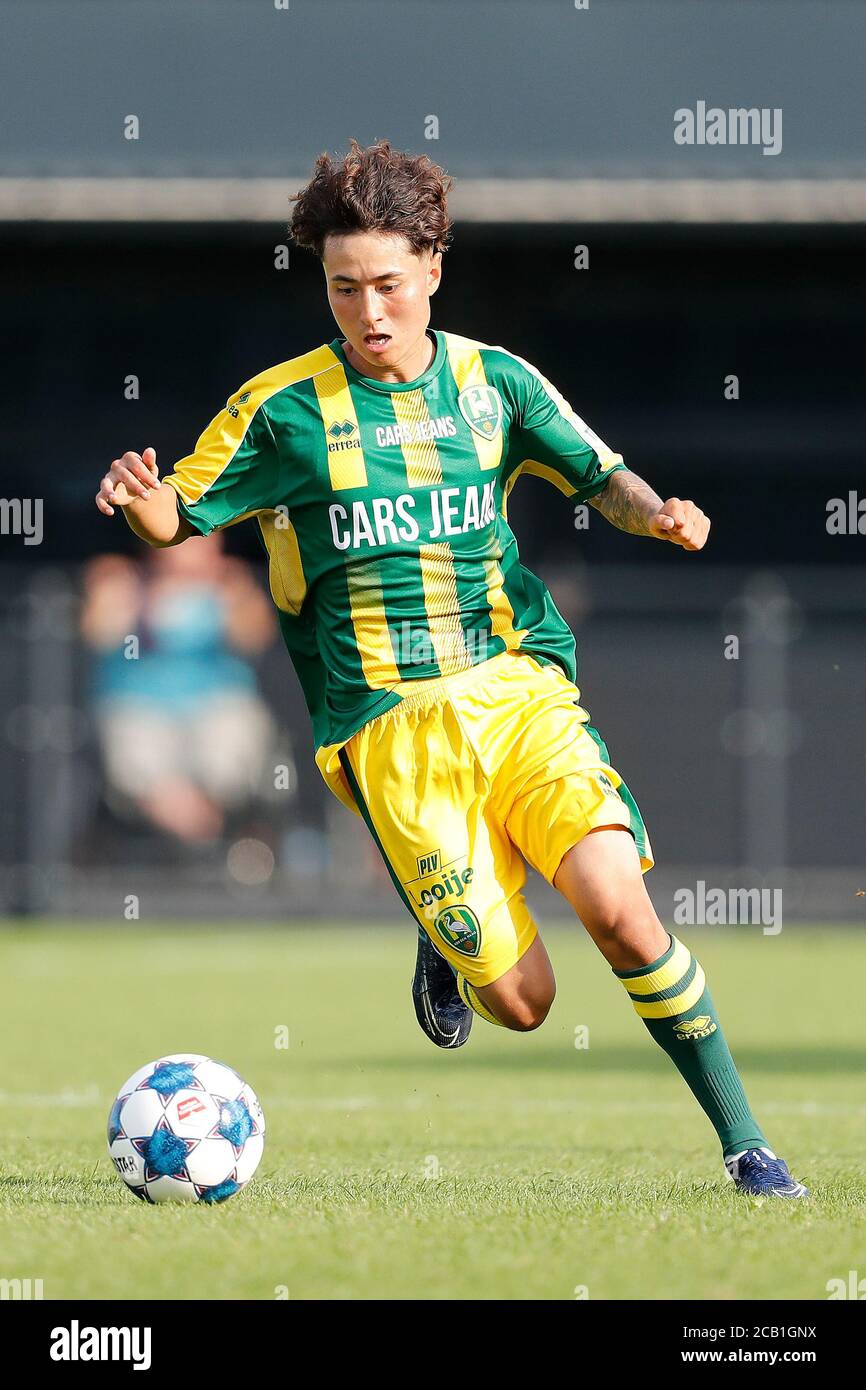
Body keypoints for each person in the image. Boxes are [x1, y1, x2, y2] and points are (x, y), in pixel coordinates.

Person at [95, 139, 805, 1198]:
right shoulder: (282, 410)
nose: (367, 311)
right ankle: (444, 931)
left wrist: (654, 512)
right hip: (388, 730)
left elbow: (597, 474)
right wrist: (140, 495)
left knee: (619, 908)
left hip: (515, 688)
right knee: (525, 1003)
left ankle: (747, 1147)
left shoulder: (495, 383)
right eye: (343, 290)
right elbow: (178, 512)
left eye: (386, 284)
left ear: (432, 266)